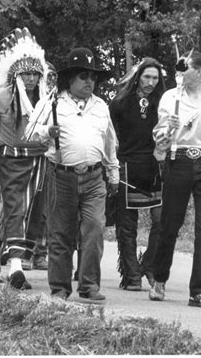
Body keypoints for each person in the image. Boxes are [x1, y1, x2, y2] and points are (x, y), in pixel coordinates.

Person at [26, 47, 119, 301]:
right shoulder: (52, 102)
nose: (89, 81)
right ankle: (59, 288)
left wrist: (113, 174)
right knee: (61, 234)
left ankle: (88, 285)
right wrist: (48, 132)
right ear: (71, 79)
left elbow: (110, 143)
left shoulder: (101, 106)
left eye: (92, 76)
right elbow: (31, 134)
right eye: (83, 76)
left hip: (94, 177)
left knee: (94, 230)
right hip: (61, 176)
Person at [149, 51, 201, 308]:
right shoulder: (170, 97)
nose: (179, 72)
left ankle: (198, 290)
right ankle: (160, 280)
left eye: (184, 68)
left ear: (198, 70)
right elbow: (159, 137)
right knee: (169, 225)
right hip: (179, 160)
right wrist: (169, 128)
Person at [0, 27, 50, 289]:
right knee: (13, 210)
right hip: (9, 159)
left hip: (40, 161)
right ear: (16, 75)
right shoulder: (1, 97)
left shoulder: (46, 100)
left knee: (34, 212)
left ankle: (18, 263)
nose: (31, 78)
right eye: (26, 73)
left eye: (35, 73)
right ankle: (16, 267)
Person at [109, 57, 166, 290]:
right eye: (147, 77)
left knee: (162, 221)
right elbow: (110, 137)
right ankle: (131, 274)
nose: (151, 82)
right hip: (126, 166)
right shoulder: (120, 103)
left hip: (155, 167)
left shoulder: (165, 104)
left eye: (155, 78)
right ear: (138, 77)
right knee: (127, 225)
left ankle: (149, 265)